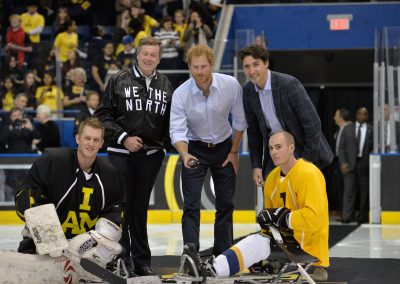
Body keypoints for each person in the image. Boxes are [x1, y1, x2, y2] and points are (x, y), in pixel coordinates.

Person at [184, 131, 329, 281]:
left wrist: (282, 217)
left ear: (291, 148)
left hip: (308, 244)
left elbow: (315, 218)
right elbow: (274, 219)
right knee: (257, 240)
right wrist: (268, 220)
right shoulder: (272, 177)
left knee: (257, 242)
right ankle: (213, 267)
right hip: (285, 240)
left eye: (278, 147)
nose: (274, 152)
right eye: (271, 148)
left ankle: (212, 269)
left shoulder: (309, 173)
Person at [95, 37, 173, 276]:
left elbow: (171, 121)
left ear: (159, 58)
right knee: (121, 208)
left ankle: (141, 261)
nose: (149, 58)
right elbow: (103, 115)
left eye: (153, 54)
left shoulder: (166, 83)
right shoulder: (118, 79)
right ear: (137, 55)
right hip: (121, 153)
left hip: (151, 156)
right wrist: (123, 137)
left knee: (139, 209)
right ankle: (120, 258)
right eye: (145, 53)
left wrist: (170, 146)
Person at [169, 44, 247, 256]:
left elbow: (240, 120)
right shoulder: (180, 93)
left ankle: (223, 254)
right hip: (194, 149)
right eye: (195, 67)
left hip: (224, 147)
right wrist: (184, 154)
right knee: (191, 204)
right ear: (189, 66)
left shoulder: (230, 85)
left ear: (211, 64)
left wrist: (234, 151)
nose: (200, 72)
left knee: (226, 204)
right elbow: (177, 130)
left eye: (204, 66)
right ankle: (191, 254)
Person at [15, 117, 126, 262]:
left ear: (101, 143)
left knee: (112, 239)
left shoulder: (110, 175)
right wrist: (48, 236)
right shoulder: (52, 162)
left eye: (96, 140)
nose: (91, 143)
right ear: (78, 138)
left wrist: (93, 240)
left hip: (83, 251)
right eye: (87, 138)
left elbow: (116, 213)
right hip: (45, 248)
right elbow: (25, 196)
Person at [238, 44, 333, 186]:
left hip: (300, 148)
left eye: (255, 64)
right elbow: (253, 132)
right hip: (273, 152)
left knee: (299, 198)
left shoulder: (288, 84)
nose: (251, 71)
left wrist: (307, 160)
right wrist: (256, 165)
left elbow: (312, 123)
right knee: (271, 198)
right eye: (247, 66)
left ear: (266, 63)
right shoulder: (248, 91)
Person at [333, 108, 356, 224]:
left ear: (341, 117)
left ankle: (347, 216)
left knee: (348, 190)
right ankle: (345, 214)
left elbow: (350, 148)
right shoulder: (340, 130)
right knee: (342, 190)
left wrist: (345, 163)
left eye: (336, 116)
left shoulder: (350, 128)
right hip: (338, 161)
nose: (334, 118)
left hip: (346, 163)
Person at [352, 107, 372, 224]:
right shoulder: (350, 128)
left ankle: (362, 216)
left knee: (364, 191)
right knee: (350, 190)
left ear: (367, 116)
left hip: (365, 164)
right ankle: (350, 215)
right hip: (352, 163)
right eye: (359, 114)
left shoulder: (371, 129)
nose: (362, 116)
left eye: (364, 114)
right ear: (356, 115)